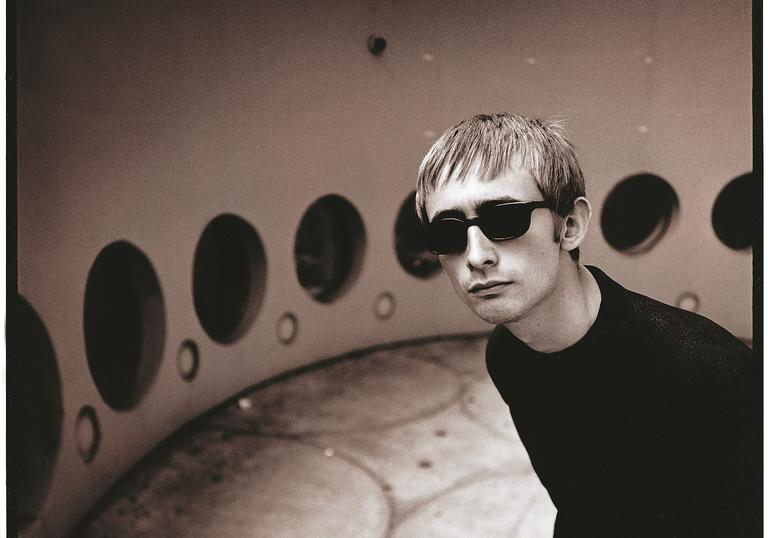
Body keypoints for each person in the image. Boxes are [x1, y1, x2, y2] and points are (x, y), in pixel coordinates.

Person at [414, 113, 760, 537]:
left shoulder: (708, 373)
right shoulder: (507, 353)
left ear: (571, 225)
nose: (476, 256)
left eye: (504, 220)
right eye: (447, 233)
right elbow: (581, 503)